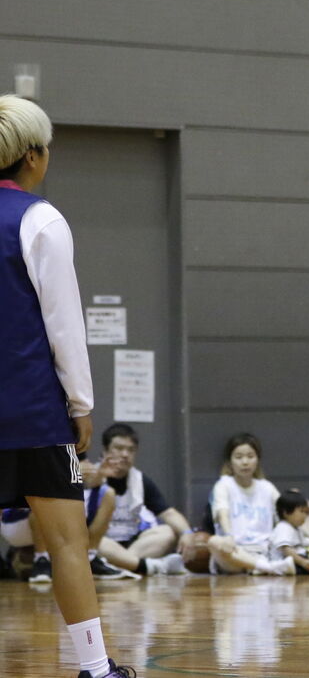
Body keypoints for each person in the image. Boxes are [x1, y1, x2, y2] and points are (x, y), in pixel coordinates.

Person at [0, 94, 133, 677]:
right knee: (67, 544)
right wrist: (81, 404)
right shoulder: (41, 220)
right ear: (33, 155)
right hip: (34, 411)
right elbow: (65, 327)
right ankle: (96, 670)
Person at [85, 423, 191, 577]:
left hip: (132, 544)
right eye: (119, 448)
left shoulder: (139, 480)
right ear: (106, 450)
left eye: (131, 450)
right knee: (91, 543)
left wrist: (187, 532)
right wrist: (100, 475)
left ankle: (120, 564)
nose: (125, 454)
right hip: (100, 542)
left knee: (167, 533)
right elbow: (90, 483)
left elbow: (168, 513)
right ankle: (147, 566)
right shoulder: (91, 474)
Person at [206, 433, 294, 575]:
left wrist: (294, 499)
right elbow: (223, 513)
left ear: (257, 459)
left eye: (250, 456)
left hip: (263, 551)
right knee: (213, 542)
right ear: (229, 461)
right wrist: (228, 536)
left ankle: (261, 566)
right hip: (234, 551)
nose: (245, 462)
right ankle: (268, 568)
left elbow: (287, 513)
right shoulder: (223, 485)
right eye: (238, 457)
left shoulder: (267, 487)